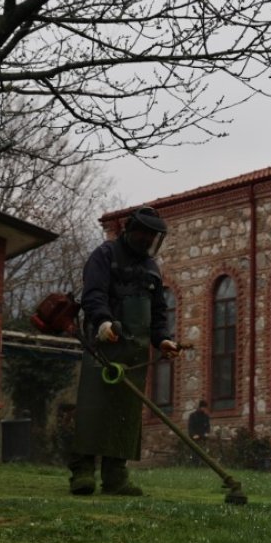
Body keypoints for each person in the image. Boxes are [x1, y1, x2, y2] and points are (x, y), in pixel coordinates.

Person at [68, 206, 179, 496]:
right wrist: (103, 321)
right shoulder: (104, 256)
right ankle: (82, 473)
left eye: (152, 236)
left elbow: (158, 313)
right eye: (143, 234)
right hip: (104, 347)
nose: (147, 240)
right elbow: (93, 294)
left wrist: (163, 340)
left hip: (135, 353)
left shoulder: (152, 269)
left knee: (125, 415)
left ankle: (115, 477)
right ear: (130, 230)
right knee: (94, 409)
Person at [187, 400, 211, 465]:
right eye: (203, 407)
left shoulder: (206, 416)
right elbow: (190, 427)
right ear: (200, 407)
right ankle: (195, 464)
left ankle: (203, 464)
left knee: (204, 451)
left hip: (203, 437)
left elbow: (208, 427)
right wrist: (193, 435)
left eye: (205, 408)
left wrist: (207, 433)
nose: (204, 409)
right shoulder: (193, 416)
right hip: (195, 437)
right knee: (195, 451)